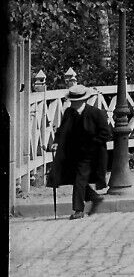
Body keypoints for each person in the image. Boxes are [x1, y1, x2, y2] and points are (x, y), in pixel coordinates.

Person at [52, 85, 112, 219]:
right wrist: (56, 142)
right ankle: (94, 197)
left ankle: (78, 210)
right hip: (74, 153)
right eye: (72, 100)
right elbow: (62, 130)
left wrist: (92, 143)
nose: (73, 103)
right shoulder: (69, 113)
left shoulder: (96, 113)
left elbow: (106, 134)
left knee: (79, 179)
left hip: (92, 154)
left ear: (83, 100)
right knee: (75, 178)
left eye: (75, 101)